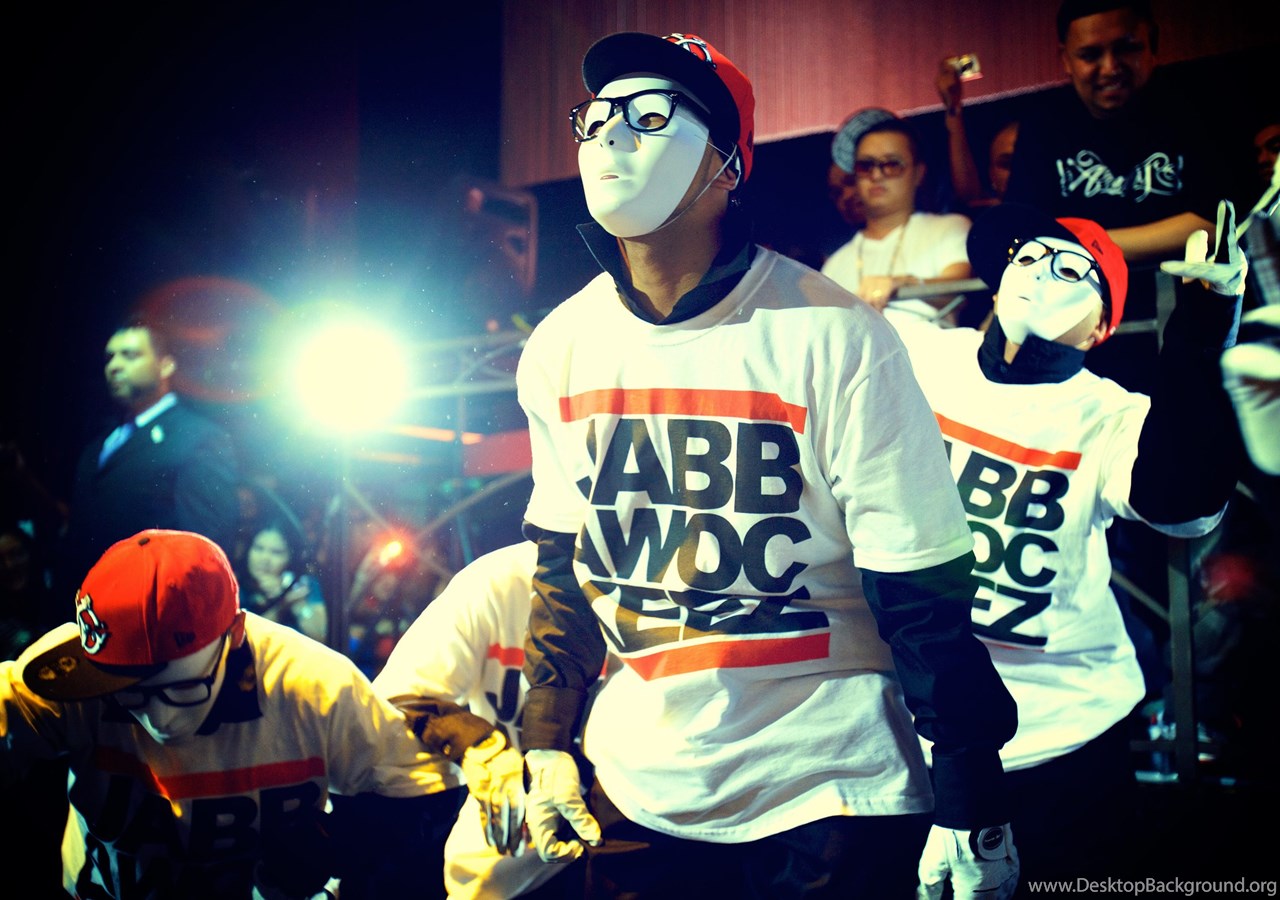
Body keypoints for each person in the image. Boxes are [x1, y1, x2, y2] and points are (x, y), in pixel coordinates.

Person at [513, 30, 1019, 900]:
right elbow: (564, 561)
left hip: (827, 783)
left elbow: (919, 585)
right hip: (640, 782)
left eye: (651, 115)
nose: (611, 135)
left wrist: (970, 788)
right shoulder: (561, 344)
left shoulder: (837, 335)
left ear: (729, 165)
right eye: (596, 117)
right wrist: (546, 741)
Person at [891, 198, 1246, 891]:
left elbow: (1182, 505)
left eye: (1071, 270)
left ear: (1101, 328)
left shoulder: (1109, 414)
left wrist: (1200, 339)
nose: (1039, 271)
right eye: (1028, 257)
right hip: (919, 729)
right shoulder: (923, 353)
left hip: (1061, 728)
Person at [0, 528, 463, 899]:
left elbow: (420, 793)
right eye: (127, 691)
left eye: (180, 688)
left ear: (236, 634)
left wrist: (344, 839)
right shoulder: (64, 678)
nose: (156, 720)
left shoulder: (314, 687)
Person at [1003, 0, 1226, 395]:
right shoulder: (1043, 124)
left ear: (1152, 45)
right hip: (1076, 339)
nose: (1110, 67)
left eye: (1127, 48)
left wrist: (1083, 245)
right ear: (1066, 59)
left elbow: (1212, 224)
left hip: (1189, 331)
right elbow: (1026, 232)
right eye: (1090, 55)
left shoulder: (1198, 106)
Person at [373, 540, 575, 900]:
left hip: (632, 829)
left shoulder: (668, 590)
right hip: (511, 845)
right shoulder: (498, 580)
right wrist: (482, 746)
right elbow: (401, 691)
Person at [57, 317, 240, 598]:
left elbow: (206, 545)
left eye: (130, 355)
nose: (114, 366)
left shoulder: (198, 437)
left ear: (165, 365)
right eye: (110, 357)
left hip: (145, 611)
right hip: (82, 608)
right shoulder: (100, 443)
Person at [822, 107, 976, 329]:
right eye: (866, 166)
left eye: (891, 164)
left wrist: (903, 283)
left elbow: (961, 288)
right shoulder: (834, 266)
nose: (876, 175)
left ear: (918, 173)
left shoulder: (950, 228)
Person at [935, 55, 1019, 211]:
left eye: (1025, 161)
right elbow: (968, 194)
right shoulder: (989, 214)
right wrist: (953, 107)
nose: (1018, 172)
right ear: (991, 174)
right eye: (1006, 164)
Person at [236, 517, 328, 643]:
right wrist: (281, 606)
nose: (265, 558)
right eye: (258, 548)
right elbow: (241, 641)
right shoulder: (235, 586)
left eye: (276, 552)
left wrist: (296, 602)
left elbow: (321, 635)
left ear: (290, 556)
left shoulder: (305, 585)